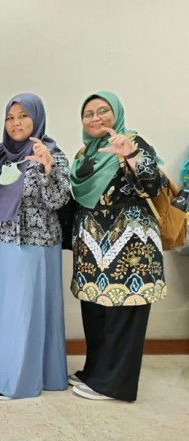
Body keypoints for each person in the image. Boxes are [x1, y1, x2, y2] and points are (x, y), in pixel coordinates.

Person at [68, 91, 166, 402]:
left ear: (117, 114)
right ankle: (95, 372)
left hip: (129, 251)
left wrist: (131, 155)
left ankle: (115, 385)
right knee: (96, 314)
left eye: (103, 111)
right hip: (93, 252)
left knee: (123, 316)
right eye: (88, 113)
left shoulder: (132, 142)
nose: (95, 118)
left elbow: (152, 184)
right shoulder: (85, 154)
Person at [0, 93, 70, 400]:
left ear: (37, 119)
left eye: (23, 117)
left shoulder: (52, 153)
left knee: (24, 313)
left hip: (34, 245)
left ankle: (18, 381)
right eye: (10, 117)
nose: (16, 123)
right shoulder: (0, 155)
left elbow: (58, 201)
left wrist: (46, 170)